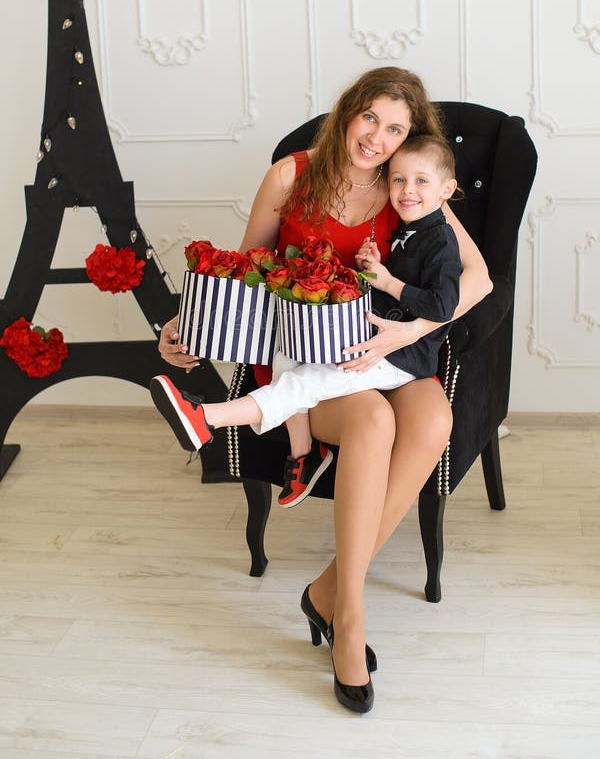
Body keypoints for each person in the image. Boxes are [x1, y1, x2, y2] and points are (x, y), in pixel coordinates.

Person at [155, 67, 492, 713]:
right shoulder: (292, 174)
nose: (378, 138)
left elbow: (476, 280)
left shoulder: (409, 185)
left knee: (432, 423)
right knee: (372, 423)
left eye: (396, 129)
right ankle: (352, 623)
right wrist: (183, 324)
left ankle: (328, 591)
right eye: (371, 118)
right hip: (308, 365)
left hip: (386, 350)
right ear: (349, 110)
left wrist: (404, 334)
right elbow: (245, 268)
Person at [150, 135, 462, 516]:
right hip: (367, 332)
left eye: (420, 182)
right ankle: (305, 454)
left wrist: (388, 283)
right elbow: (250, 262)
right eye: (399, 180)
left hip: (399, 356)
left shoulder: (440, 235)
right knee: (288, 351)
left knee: (305, 383)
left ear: (446, 189)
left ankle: (207, 417)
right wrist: (376, 263)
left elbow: (444, 303)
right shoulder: (407, 227)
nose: (407, 190)